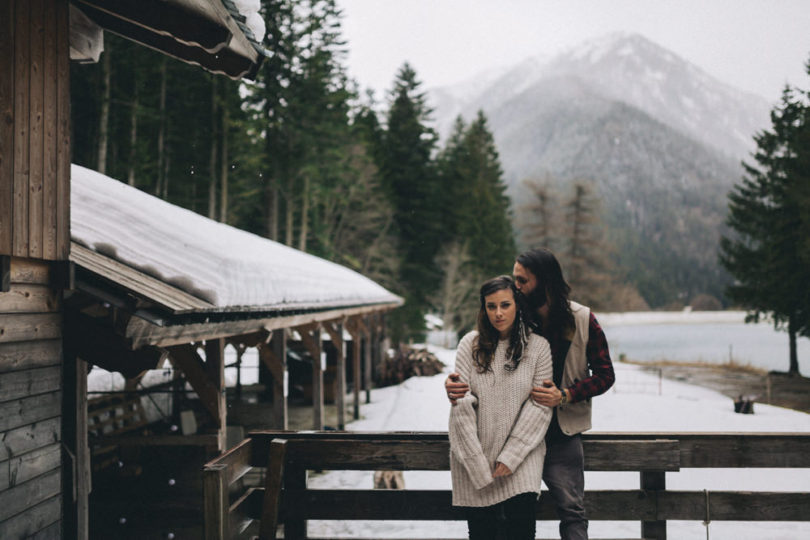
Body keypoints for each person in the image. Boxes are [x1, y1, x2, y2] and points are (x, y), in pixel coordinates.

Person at [446, 248, 615, 540]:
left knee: (571, 510)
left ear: (544, 281)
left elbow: (605, 375)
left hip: (561, 430)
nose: (517, 287)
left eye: (522, 281)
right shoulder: (517, 315)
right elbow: (483, 371)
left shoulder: (582, 319)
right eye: (515, 280)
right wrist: (454, 387)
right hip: (507, 430)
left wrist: (566, 394)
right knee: (497, 518)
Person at [449, 275, 553, 540]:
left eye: (505, 305)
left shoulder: (539, 347)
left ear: (517, 305)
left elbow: (539, 406)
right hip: (477, 462)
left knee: (522, 533)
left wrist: (511, 456)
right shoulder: (468, 345)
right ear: (483, 309)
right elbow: (461, 405)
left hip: (522, 461)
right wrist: (476, 464)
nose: (498, 313)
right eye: (491, 306)